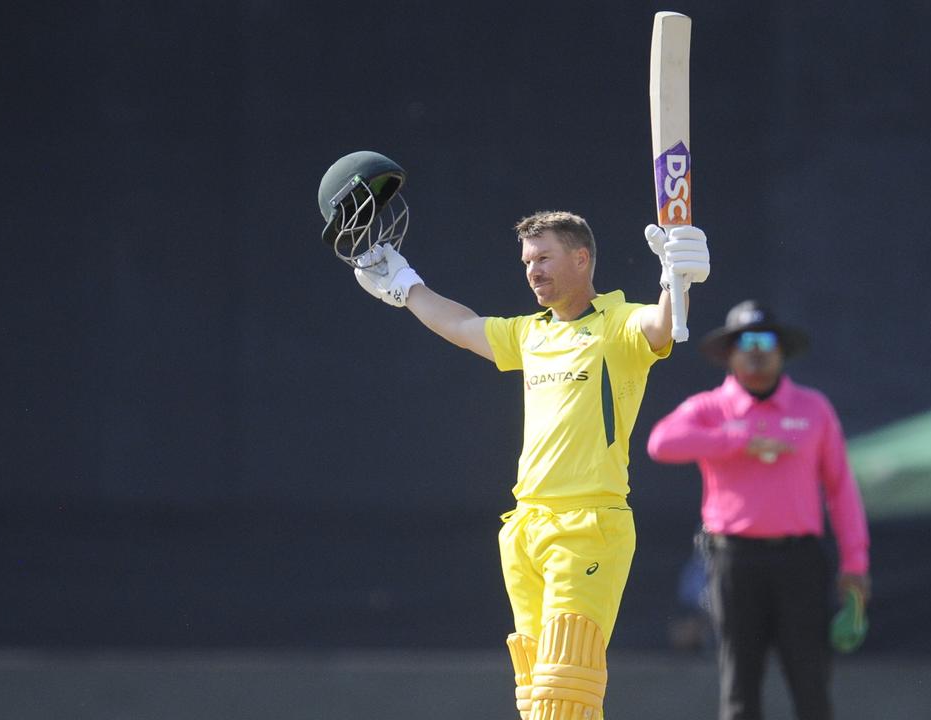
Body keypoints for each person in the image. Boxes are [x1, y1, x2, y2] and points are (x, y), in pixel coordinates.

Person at [340, 180, 709, 718]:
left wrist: (678, 279)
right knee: (538, 694)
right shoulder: (530, 334)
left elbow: (661, 325)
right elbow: (464, 326)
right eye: (526, 261)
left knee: (568, 687)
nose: (532, 271)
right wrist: (404, 285)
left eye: (544, 258)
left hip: (588, 528)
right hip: (525, 530)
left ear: (581, 259)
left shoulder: (617, 323)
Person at [646, 301, 870, 720]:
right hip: (735, 562)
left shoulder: (813, 409)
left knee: (811, 684)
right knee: (739, 687)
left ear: (782, 350)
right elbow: (661, 442)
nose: (756, 351)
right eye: (744, 342)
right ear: (729, 353)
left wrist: (855, 564)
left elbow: (842, 491)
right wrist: (739, 438)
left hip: (800, 561)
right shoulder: (711, 409)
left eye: (765, 341)